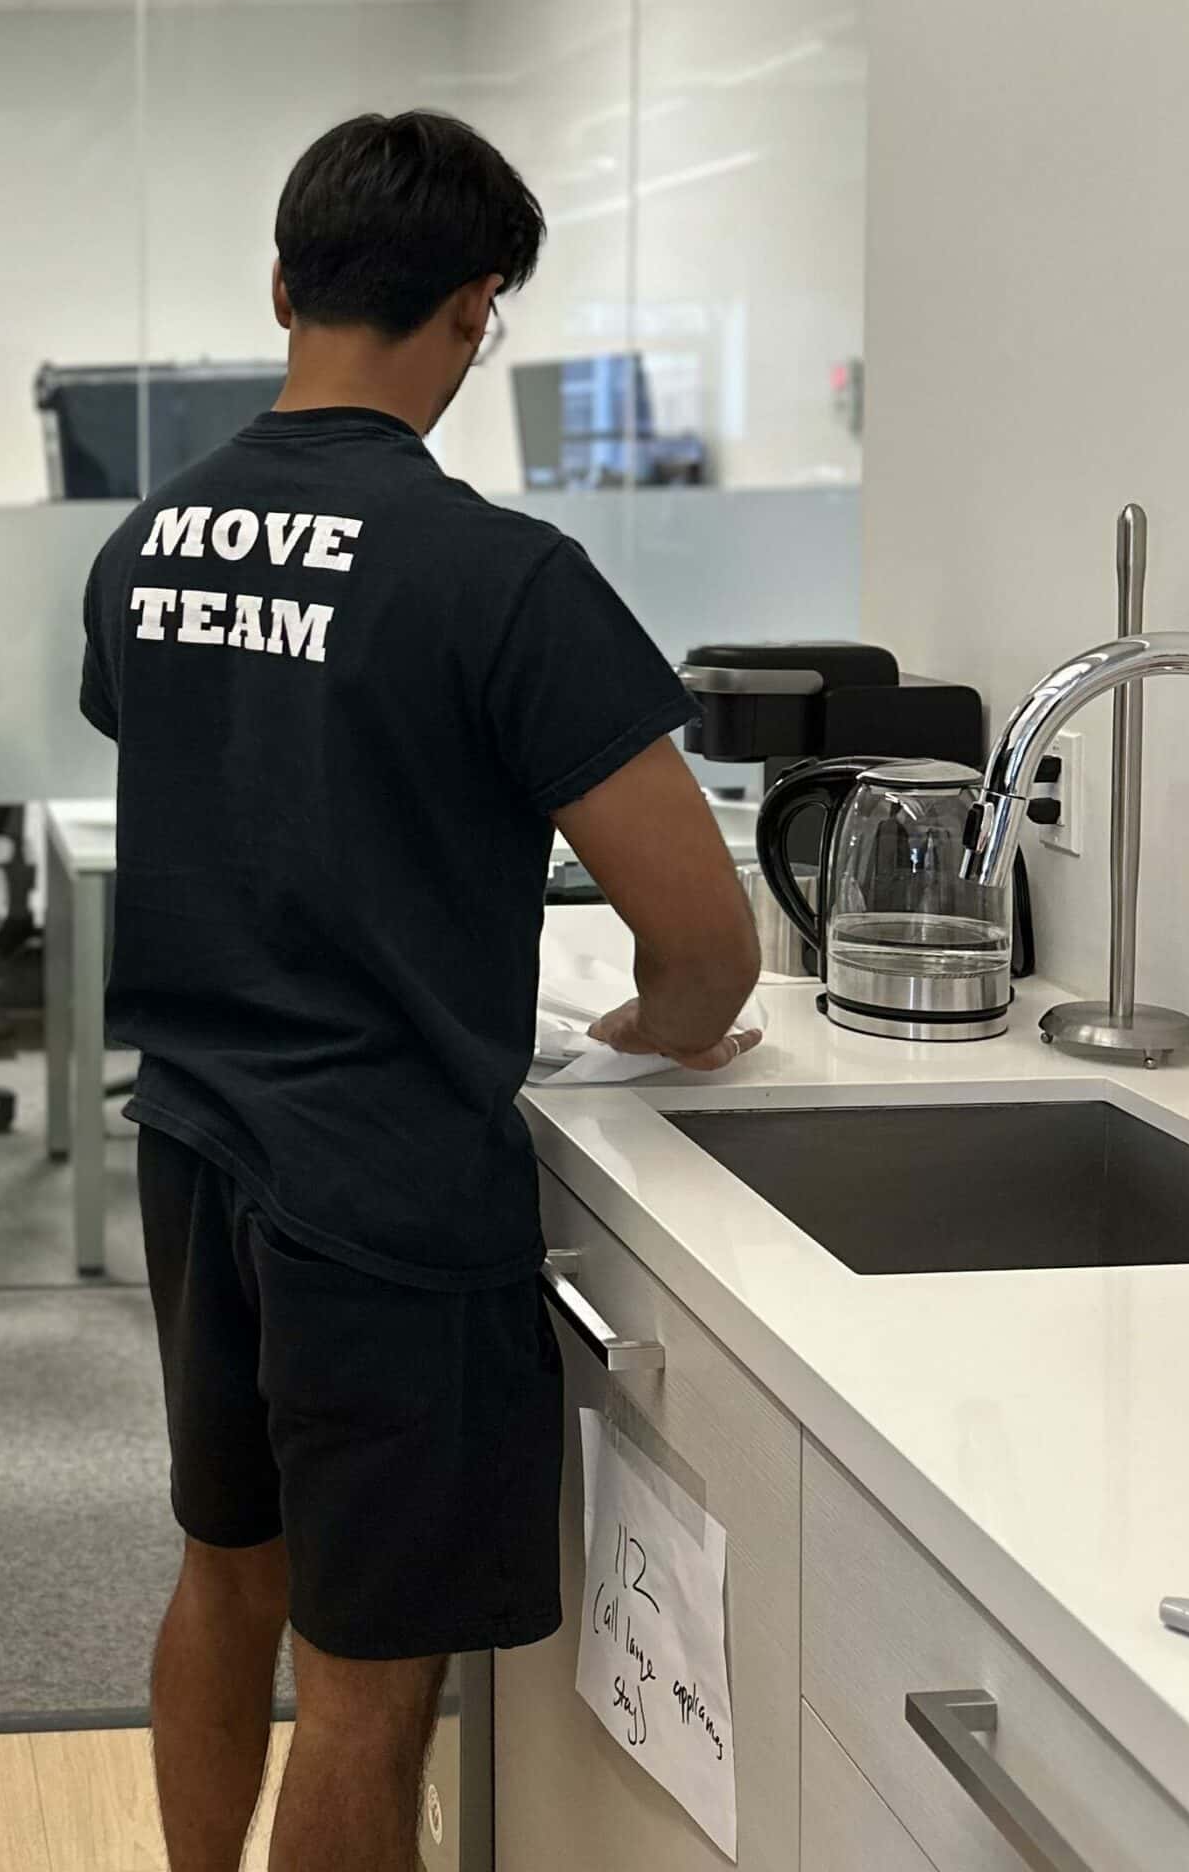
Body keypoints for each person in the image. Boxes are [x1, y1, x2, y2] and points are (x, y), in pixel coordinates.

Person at [77, 111, 761, 1872]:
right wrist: (658, 1028)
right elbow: (703, 950)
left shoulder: (146, 548)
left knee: (226, 1582)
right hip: (384, 1192)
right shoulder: (502, 582)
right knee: (372, 1696)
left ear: (285, 284)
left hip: (195, 1151)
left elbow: (229, 774)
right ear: (476, 311)